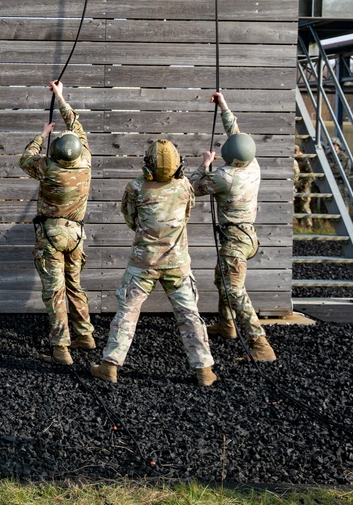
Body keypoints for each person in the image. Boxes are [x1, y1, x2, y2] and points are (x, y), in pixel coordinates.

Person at [90, 139, 216, 386]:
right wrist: (205, 165)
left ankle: (110, 365)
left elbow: (130, 218)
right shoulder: (184, 187)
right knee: (189, 314)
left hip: (143, 263)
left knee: (127, 312)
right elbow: (187, 211)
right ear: (178, 166)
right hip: (177, 263)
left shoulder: (136, 187)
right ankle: (204, 370)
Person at [190, 91, 276, 363]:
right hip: (247, 235)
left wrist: (204, 165)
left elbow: (193, 188)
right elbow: (236, 136)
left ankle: (260, 343)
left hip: (235, 240)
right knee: (222, 277)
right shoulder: (252, 165)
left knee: (234, 289)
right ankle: (227, 325)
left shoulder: (223, 177)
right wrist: (223, 105)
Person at [19, 80, 94, 366]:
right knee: (74, 283)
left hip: (50, 234)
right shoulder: (86, 160)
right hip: (76, 234)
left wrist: (41, 136)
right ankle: (85, 333)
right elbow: (76, 124)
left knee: (54, 289)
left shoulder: (47, 168)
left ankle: (61, 348)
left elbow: (25, 159)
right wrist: (61, 97)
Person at [293, 144, 314, 229]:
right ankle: (299, 225)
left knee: (305, 205)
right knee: (296, 205)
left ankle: (308, 225)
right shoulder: (293, 160)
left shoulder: (305, 160)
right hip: (295, 185)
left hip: (304, 185)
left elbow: (311, 176)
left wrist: (301, 183)